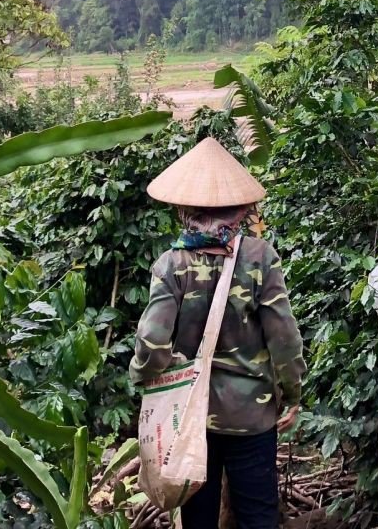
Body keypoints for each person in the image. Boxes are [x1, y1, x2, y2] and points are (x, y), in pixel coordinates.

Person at [130, 137, 305, 529]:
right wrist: (292, 393)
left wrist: (144, 379)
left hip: (191, 419)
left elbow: (153, 343)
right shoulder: (260, 257)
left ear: (184, 210)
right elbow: (284, 337)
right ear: (242, 210)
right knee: (258, 515)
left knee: (198, 518)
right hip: (252, 415)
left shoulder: (171, 264)